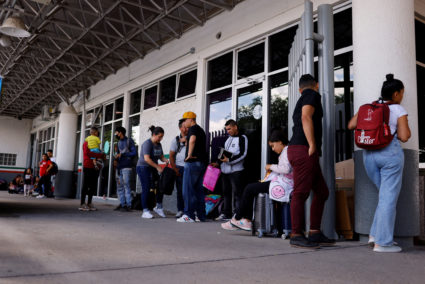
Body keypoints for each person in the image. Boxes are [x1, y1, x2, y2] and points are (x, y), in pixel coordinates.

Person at [348, 74, 411, 253]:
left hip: (368, 156)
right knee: (388, 199)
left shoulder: (369, 107)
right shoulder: (398, 109)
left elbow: (351, 125)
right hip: (389, 155)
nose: (403, 96)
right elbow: (404, 136)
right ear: (397, 93)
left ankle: (375, 235)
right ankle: (383, 243)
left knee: (385, 197)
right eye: (402, 93)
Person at [287, 74, 334, 248]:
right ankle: (296, 234)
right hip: (303, 149)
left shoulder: (302, 97)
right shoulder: (312, 95)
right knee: (300, 193)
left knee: (322, 192)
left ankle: (314, 233)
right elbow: (306, 117)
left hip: (299, 150)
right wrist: (312, 144)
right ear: (317, 85)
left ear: (299, 89)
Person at [221, 129, 293, 231]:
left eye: (273, 146)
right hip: (282, 183)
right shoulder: (286, 151)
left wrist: (271, 166)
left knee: (249, 188)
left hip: (283, 185)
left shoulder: (286, 151)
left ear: (280, 142)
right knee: (251, 188)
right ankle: (243, 219)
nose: (272, 149)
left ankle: (239, 219)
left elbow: (286, 169)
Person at [214, 119, 248, 221]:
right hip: (225, 171)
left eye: (229, 129)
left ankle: (238, 215)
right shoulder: (228, 139)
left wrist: (229, 160)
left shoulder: (243, 138)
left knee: (238, 194)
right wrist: (218, 162)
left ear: (235, 127)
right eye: (226, 129)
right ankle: (226, 213)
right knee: (226, 193)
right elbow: (223, 153)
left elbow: (243, 154)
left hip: (236, 171)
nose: (227, 131)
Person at [177, 111, 208, 223]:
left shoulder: (193, 129)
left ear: (190, 119)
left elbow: (193, 140)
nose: (184, 123)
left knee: (188, 189)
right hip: (201, 164)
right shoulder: (201, 130)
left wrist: (189, 155)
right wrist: (186, 141)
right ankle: (201, 215)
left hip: (192, 162)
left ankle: (188, 215)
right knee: (199, 190)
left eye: (185, 120)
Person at [137, 126, 169, 219]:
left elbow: (161, 156)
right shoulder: (147, 144)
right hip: (143, 167)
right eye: (159, 136)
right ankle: (145, 211)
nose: (161, 139)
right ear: (154, 135)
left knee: (160, 186)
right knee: (146, 187)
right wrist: (158, 167)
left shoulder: (159, 144)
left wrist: (165, 160)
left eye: (162, 137)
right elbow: (147, 159)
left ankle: (158, 207)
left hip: (152, 167)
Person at [114, 126, 137, 212]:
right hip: (119, 167)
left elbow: (134, 153)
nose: (116, 134)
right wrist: (116, 157)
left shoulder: (129, 141)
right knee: (120, 186)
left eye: (116, 132)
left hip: (127, 166)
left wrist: (123, 154)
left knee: (127, 186)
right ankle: (122, 204)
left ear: (121, 132)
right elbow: (118, 154)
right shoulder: (119, 142)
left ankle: (129, 205)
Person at [169, 119, 188, 218]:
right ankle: (180, 210)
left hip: (190, 168)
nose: (186, 129)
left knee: (189, 190)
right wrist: (175, 169)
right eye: (184, 127)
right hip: (180, 168)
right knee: (180, 191)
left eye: (187, 126)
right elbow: (171, 156)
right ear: (180, 128)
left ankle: (189, 211)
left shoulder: (192, 138)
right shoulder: (175, 140)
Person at [81, 138, 105, 211]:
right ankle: (82, 203)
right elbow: (88, 153)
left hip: (96, 167)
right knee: (86, 185)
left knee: (93, 186)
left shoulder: (96, 146)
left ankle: (89, 203)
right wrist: (99, 155)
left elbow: (100, 156)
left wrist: (101, 156)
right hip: (88, 166)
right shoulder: (86, 143)